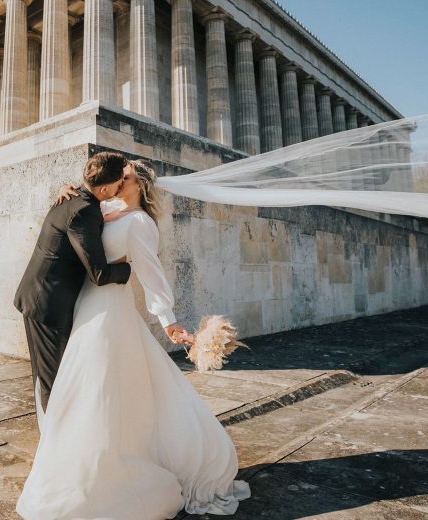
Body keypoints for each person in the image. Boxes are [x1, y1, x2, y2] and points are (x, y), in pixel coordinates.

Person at [15, 159, 251, 519]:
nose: (115, 181)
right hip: (82, 306)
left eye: (123, 177)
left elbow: (151, 274)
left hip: (109, 308)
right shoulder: (104, 205)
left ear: (136, 184)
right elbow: (81, 207)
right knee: (77, 386)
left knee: (98, 388)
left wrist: (168, 320)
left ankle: (104, 469)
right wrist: (62, 188)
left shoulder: (141, 223)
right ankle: (71, 456)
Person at [13, 151, 134, 425]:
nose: (120, 188)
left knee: (47, 378)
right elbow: (99, 273)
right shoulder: (84, 211)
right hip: (47, 305)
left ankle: (53, 436)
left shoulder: (75, 197)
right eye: (117, 184)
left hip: (39, 297)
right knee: (54, 381)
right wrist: (128, 268)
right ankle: (55, 445)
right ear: (104, 188)